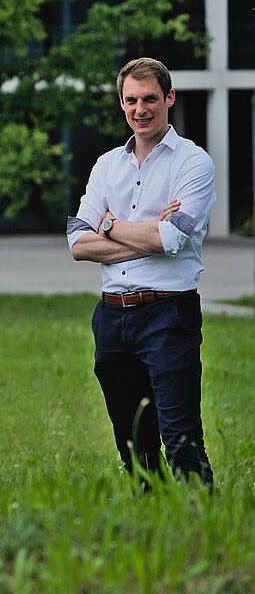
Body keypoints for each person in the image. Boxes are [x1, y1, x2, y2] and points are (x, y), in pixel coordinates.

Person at [67, 57, 216, 489]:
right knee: (133, 441)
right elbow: (78, 243)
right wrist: (149, 232)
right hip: (112, 317)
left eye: (150, 98)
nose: (140, 109)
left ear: (169, 98)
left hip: (168, 314)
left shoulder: (193, 163)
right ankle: (151, 513)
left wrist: (110, 225)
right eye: (131, 100)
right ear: (121, 103)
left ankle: (203, 517)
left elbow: (171, 239)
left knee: (181, 437)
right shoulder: (106, 165)